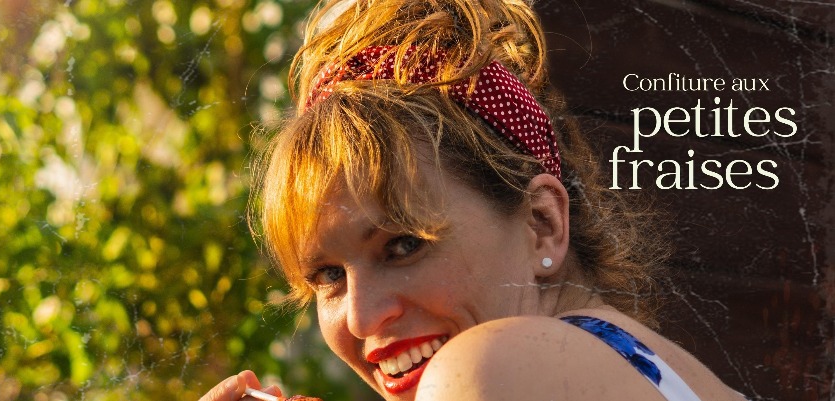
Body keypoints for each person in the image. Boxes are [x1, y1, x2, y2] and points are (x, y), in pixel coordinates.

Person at [200, 0, 745, 399]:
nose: (363, 319)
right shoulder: (669, 373)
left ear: (543, 224)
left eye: (403, 245)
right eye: (328, 276)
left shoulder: (486, 371)